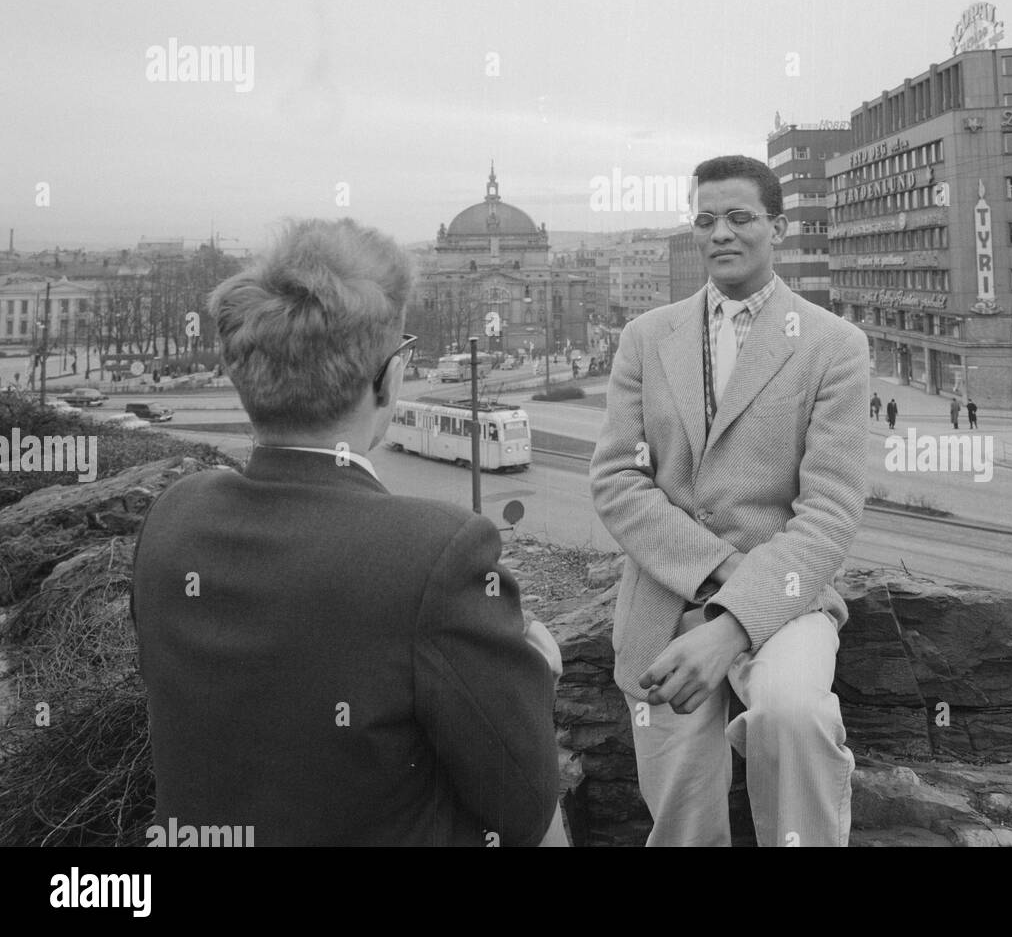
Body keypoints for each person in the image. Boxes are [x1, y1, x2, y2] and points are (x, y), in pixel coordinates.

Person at [131, 218, 563, 847]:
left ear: (243, 375)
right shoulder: (437, 551)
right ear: (390, 378)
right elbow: (523, 805)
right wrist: (534, 683)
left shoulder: (174, 515)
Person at [591, 155, 867, 848]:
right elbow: (617, 481)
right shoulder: (646, 338)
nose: (721, 233)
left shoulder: (833, 345)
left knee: (793, 717)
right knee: (683, 812)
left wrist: (736, 623)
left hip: (790, 597)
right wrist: (718, 576)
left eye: (739, 217)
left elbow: (830, 510)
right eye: (706, 219)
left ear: (774, 227)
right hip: (663, 597)